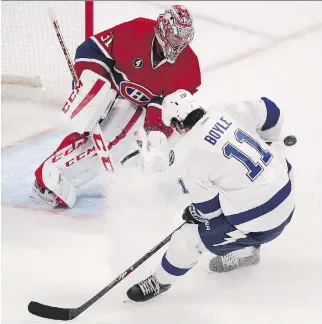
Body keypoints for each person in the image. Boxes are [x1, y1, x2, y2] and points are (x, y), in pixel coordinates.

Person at [126, 89, 295, 302]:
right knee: (272, 164)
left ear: (177, 124)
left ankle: (159, 281)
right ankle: (245, 247)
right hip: (289, 193)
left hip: (266, 223)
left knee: (187, 239)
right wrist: (267, 143)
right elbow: (271, 110)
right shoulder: (224, 110)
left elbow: (211, 211)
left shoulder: (188, 153)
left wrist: (196, 213)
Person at [29, 5, 201, 208]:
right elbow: (91, 50)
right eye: (175, 36)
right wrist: (89, 86)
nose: (179, 43)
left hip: (143, 107)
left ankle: (58, 177)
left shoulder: (189, 65)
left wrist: (155, 134)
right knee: (88, 122)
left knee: (118, 144)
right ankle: (48, 177)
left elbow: (169, 106)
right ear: (163, 29)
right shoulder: (136, 31)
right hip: (111, 87)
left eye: (183, 38)